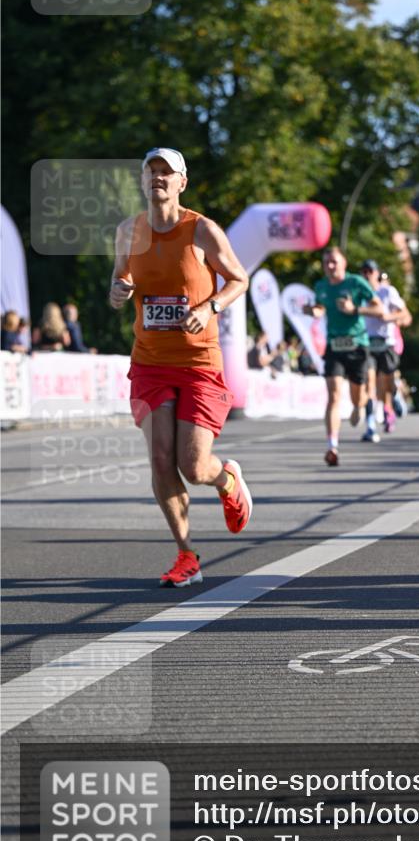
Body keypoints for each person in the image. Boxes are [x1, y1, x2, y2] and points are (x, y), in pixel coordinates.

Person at [109, 146, 252, 587]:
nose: (157, 178)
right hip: (150, 361)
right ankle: (186, 554)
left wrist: (210, 308)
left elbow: (239, 279)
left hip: (198, 362)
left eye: (166, 172)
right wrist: (119, 291)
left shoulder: (201, 230)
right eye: (150, 171)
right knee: (159, 459)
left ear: (181, 182)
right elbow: (121, 279)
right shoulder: (128, 232)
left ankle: (227, 479)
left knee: (194, 466)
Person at [304, 246, 385, 466]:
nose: (330, 266)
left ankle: (359, 407)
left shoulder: (356, 283)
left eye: (334, 262)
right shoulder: (321, 286)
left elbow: (379, 310)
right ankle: (332, 446)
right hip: (334, 345)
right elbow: (321, 308)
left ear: (344, 263)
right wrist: (313, 311)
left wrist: (354, 310)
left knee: (358, 398)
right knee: (334, 396)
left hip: (357, 345)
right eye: (326, 263)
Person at [359, 259, 412, 439]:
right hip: (367, 343)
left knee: (386, 383)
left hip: (387, 343)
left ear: (376, 274)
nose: (367, 274)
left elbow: (405, 314)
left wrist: (389, 317)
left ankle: (392, 401)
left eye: (370, 271)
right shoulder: (359, 293)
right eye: (364, 271)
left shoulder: (387, 291)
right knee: (370, 383)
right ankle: (370, 424)